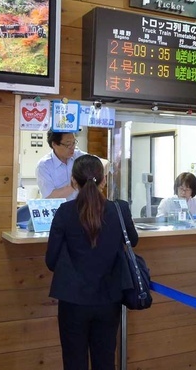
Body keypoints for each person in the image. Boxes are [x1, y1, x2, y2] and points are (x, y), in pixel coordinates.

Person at [45, 154, 138, 370]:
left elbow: (51, 261)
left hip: (72, 300)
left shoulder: (65, 212)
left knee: (74, 360)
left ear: (73, 182)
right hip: (110, 298)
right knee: (105, 360)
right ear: (103, 180)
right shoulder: (119, 209)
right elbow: (133, 240)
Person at [36, 130, 86, 200]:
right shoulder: (44, 165)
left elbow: (103, 163)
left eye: (74, 143)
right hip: (57, 209)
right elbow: (50, 196)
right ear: (54, 144)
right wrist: (75, 184)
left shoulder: (78, 156)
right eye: (68, 144)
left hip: (80, 208)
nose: (73, 147)